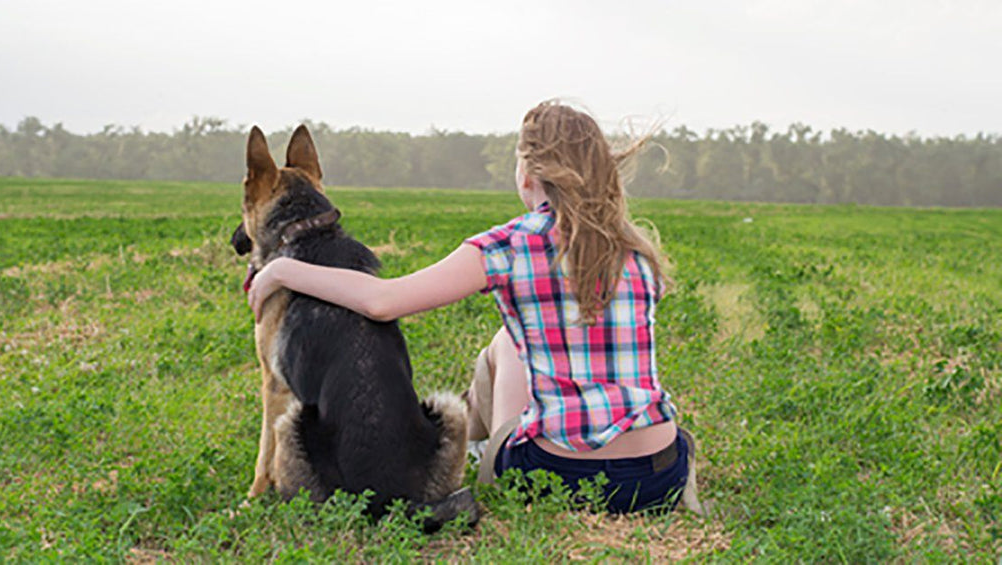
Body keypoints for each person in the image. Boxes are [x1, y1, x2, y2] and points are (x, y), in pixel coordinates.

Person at [247, 100, 693, 514]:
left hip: (563, 475)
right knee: (517, 339)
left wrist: (281, 271)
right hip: (659, 474)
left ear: (527, 173)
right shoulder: (637, 249)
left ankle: (489, 450)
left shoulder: (509, 244)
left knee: (506, 345)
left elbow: (381, 302)